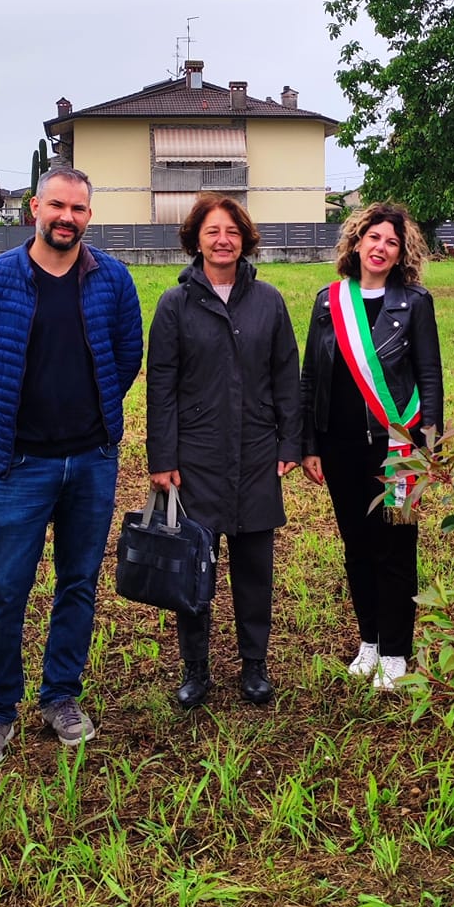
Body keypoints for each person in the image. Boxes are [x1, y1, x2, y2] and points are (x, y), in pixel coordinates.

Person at [0, 166, 142, 771]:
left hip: (93, 460)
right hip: (22, 463)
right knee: (6, 589)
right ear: (34, 207)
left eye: (79, 209)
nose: (67, 217)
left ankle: (61, 695)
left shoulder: (112, 279)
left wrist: (95, 417)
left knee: (78, 584)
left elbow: (127, 353)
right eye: (57, 206)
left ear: (90, 216)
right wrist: (8, 429)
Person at [146, 195, 302, 709]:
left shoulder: (269, 301)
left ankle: (254, 665)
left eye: (232, 231)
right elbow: (161, 386)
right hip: (195, 458)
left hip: (257, 453)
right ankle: (196, 668)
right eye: (212, 231)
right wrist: (162, 459)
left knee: (256, 568)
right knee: (195, 566)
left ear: (245, 238)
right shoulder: (176, 305)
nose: (222, 240)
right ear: (196, 239)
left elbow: (286, 377)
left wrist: (289, 441)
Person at [301, 202, 444, 692]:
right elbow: (311, 378)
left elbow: (429, 375)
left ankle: (397, 651)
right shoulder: (328, 302)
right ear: (356, 242)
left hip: (398, 450)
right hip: (340, 450)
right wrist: (310, 443)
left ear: (402, 253)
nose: (381, 247)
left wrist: (428, 445)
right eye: (373, 237)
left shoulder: (415, 303)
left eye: (392, 241)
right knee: (357, 546)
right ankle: (369, 640)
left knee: (396, 548)